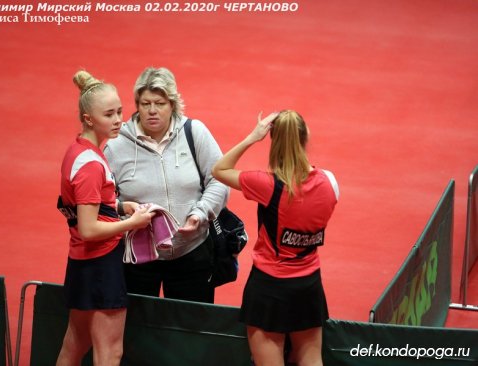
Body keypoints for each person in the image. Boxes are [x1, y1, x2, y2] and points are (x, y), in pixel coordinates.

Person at [212, 110, 339, 366]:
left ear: (273, 141)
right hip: (309, 286)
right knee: (312, 360)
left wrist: (252, 137)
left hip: (268, 289)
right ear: (306, 136)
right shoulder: (330, 183)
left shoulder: (266, 185)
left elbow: (220, 170)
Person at [104, 66, 229, 304]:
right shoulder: (116, 145)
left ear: (172, 104)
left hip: (192, 252)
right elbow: (107, 201)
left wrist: (200, 213)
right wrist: (127, 220)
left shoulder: (195, 132)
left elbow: (219, 180)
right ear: (137, 105)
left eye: (159, 103)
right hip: (138, 258)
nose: (152, 111)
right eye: (145, 103)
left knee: (192, 329)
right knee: (137, 330)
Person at [56, 70, 154, 366]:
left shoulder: (78, 152)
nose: (118, 120)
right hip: (100, 264)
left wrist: (118, 206)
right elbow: (88, 228)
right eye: (109, 114)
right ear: (88, 119)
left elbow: (89, 207)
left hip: (82, 263)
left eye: (120, 111)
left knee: (76, 343)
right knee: (110, 352)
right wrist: (131, 225)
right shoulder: (91, 166)